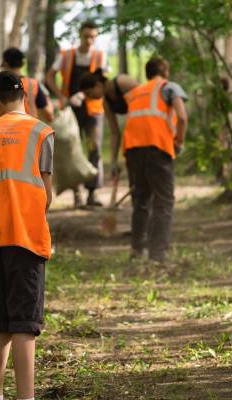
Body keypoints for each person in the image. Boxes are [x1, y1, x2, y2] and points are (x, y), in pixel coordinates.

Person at [0, 71, 54, 400]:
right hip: (26, 238)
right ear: (25, 97)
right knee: (25, 326)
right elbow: (45, 194)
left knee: (1, 324)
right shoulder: (41, 132)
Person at [122, 57, 188, 263]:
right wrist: (179, 141)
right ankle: (157, 255)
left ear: (147, 73)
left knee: (141, 200)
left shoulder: (135, 93)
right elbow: (182, 117)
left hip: (133, 149)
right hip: (157, 147)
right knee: (163, 200)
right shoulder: (169, 87)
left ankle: (136, 250)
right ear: (165, 72)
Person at [45, 20, 108, 207]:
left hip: (94, 110)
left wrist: (84, 93)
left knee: (93, 147)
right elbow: (50, 76)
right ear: (80, 35)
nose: (89, 41)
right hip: (70, 111)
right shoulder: (66, 55)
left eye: (93, 37)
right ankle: (76, 194)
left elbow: (102, 81)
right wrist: (61, 96)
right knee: (72, 149)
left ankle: (92, 193)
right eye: (86, 36)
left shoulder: (100, 56)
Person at [75, 72, 141, 178]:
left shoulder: (123, 82)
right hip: (134, 137)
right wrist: (113, 162)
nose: (90, 98)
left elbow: (145, 98)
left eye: (89, 93)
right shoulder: (106, 103)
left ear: (98, 85)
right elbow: (115, 132)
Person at [0, 48, 54, 124]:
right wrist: (47, 99)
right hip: (27, 132)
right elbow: (49, 115)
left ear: (5, 63)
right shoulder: (32, 84)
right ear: (22, 63)